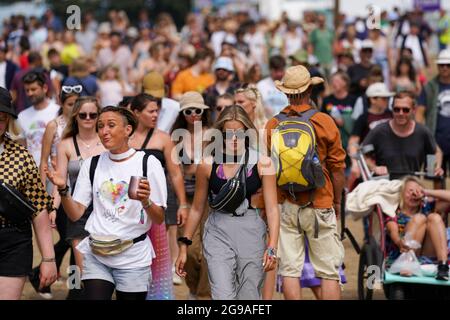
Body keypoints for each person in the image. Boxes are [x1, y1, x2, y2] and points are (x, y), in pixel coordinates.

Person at [46, 106, 167, 300]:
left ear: (128, 130)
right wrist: (63, 189)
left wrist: (145, 201)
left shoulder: (147, 162)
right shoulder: (92, 164)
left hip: (133, 257)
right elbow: (76, 213)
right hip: (97, 254)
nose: (104, 131)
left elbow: (159, 218)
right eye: (100, 126)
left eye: (111, 125)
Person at [176, 105, 280, 299]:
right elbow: (198, 209)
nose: (234, 139)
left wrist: (272, 247)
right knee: (222, 294)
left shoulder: (263, 163)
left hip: (251, 230)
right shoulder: (207, 164)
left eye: (239, 133)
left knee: (248, 295)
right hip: (217, 230)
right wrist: (184, 246)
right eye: (228, 133)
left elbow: (273, 209)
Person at [265, 65, 346, 300]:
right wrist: (337, 201)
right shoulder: (324, 122)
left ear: (286, 93)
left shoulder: (273, 124)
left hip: (285, 203)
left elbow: (268, 169)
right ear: (310, 89)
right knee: (329, 271)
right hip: (319, 201)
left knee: (290, 270)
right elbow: (338, 168)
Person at [128, 93, 189, 298]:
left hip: (157, 201)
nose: (156, 115)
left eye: (157, 111)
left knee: (157, 251)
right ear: (136, 112)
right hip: (128, 202)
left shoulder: (163, 138)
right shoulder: (125, 137)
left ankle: (157, 294)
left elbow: (175, 173)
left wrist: (183, 204)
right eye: (151, 111)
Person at [0, 87, 57, 299]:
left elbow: (39, 208)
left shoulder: (22, 157)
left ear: (8, 121)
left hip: (13, 241)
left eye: (2, 118)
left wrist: (48, 259)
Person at [53, 96, 104, 298]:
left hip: (104, 210)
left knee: (102, 266)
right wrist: (52, 207)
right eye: (83, 115)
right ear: (76, 116)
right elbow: (60, 180)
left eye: (93, 114)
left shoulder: (106, 142)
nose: (88, 118)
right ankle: (74, 294)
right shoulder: (65, 144)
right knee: (80, 267)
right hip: (76, 209)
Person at [171, 91, 211, 299]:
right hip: (185, 201)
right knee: (189, 251)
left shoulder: (214, 135)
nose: (194, 114)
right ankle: (194, 289)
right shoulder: (176, 137)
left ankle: (204, 295)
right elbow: (175, 172)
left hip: (210, 202)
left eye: (198, 110)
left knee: (209, 253)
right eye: (189, 111)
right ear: (182, 113)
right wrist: (181, 203)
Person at [362, 91, 444, 179]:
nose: (401, 113)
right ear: (392, 109)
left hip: (411, 186)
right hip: (384, 187)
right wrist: (375, 167)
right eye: (397, 109)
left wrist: (436, 166)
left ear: (413, 110)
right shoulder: (379, 131)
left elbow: (436, 151)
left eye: (405, 110)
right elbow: (362, 154)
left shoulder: (422, 132)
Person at [385, 176, 448, 281]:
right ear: (401, 194)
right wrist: (399, 242)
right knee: (419, 218)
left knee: (435, 217)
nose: (414, 194)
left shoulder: (427, 207)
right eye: (410, 191)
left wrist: (426, 192)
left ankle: (443, 265)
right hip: (403, 251)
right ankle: (408, 262)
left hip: (427, 253)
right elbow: (393, 231)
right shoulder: (394, 213)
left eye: (417, 191)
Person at [348, 82, 393, 180]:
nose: (387, 101)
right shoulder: (363, 118)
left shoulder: (392, 115)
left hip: (391, 162)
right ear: (373, 99)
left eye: (387, 98)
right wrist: (355, 163)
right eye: (383, 98)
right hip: (371, 166)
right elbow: (353, 141)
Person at [417, 49, 450, 176]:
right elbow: (419, 113)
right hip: (434, 143)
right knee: (433, 177)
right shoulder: (429, 87)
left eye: (448, 65)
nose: (445, 68)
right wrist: (424, 136)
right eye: (442, 65)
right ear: (438, 66)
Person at [17, 71, 60, 167]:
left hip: (54, 168)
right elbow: (22, 147)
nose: (30, 93)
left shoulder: (57, 111)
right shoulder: (22, 116)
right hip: (32, 171)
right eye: (27, 90)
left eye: (33, 89)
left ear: (44, 88)